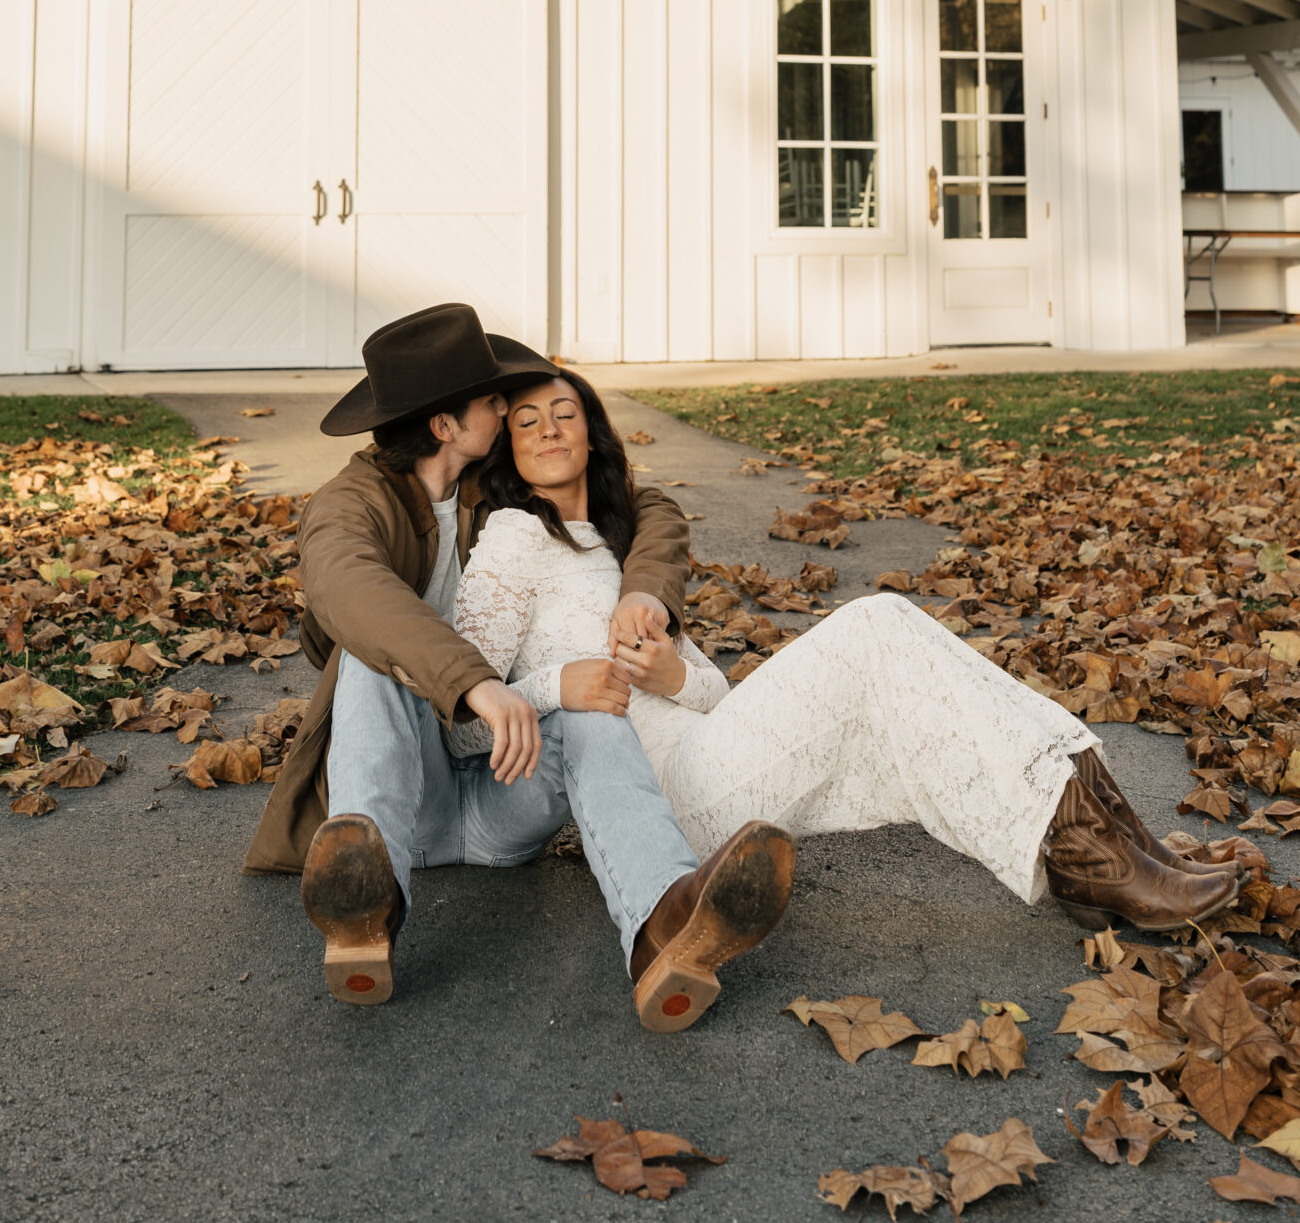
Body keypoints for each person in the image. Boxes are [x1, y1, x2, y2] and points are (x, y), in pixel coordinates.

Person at [453, 368, 1246, 940]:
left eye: (564, 413)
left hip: (713, 756)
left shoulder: (623, 549)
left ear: (592, 433)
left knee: (907, 691)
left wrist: (673, 675)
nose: (550, 429)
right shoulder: (510, 541)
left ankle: (1108, 843)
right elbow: (459, 715)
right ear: (509, 454)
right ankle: (1095, 855)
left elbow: (713, 698)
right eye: (527, 422)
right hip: (658, 813)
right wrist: (560, 684)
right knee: (877, 627)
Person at [243, 303, 795, 1029]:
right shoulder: (353, 501)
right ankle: (364, 908)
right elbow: (351, 589)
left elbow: (644, 503)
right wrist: (476, 685)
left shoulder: (487, 488)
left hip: (508, 791)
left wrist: (641, 588)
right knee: (370, 656)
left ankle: (664, 928)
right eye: (490, 398)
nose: (506, 406)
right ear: (444, 424)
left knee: (593, 711)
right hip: (412, 797)